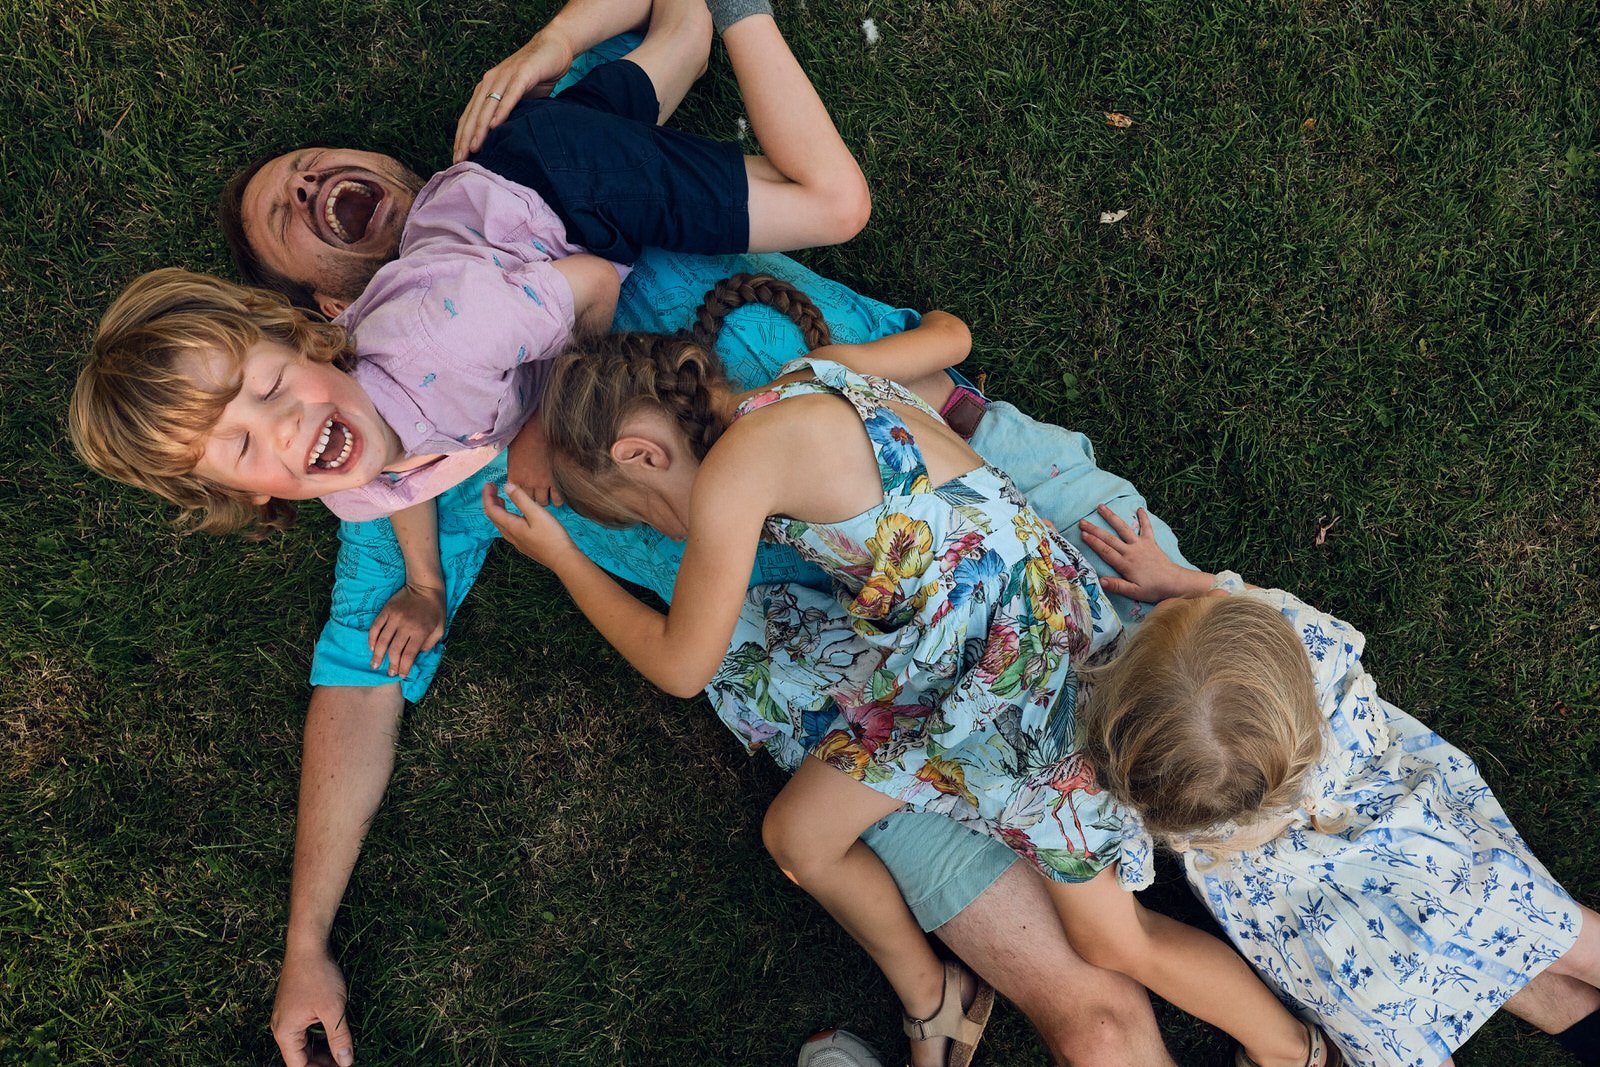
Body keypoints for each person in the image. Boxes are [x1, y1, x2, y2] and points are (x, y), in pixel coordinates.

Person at [484, 280, 1345, 1067]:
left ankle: (1290, 1050)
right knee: (799, 837)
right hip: (1039, 611)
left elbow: (682, 664)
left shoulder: (736, 476)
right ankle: (939, 994)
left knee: (1118, 943)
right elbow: (951, 334)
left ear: (641, 453)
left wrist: (565, 556)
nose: (668, 535)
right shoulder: (814, 371)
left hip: (1007, 713)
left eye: (640, 515)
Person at [74, 0, 869, 686]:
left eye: (270, 389)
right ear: (249, 495)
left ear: (311, 340)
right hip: (506, 181)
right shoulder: (339, 477)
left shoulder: (451, 337)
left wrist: (547, 423)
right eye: (243, 445)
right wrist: (423, 585)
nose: (280, 429)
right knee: (679, 41)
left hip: (571, 190)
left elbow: (593, 282)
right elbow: (396, 486)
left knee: (834, 205)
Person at [1072, 504, 1600, 1067]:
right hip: (1446, 866)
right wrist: (1187, 582)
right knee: (1570, 937)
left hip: (1348, 955)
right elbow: (1253, 607)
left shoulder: (1145, 796)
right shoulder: (1313, 652)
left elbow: (1114, 858)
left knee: (1397, 1041)